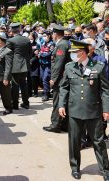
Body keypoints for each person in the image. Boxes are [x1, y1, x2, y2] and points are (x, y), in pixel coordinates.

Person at [58, 39, 109, 181]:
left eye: (76, 52)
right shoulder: (69, 67)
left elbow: (105, 90)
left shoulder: (98, 66)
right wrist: (61, 105)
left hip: (93, 110)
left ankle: (105, 170)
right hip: (74, 110)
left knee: (98, 142)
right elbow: (64, 87)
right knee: (74, 141)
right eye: (72, 53)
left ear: (84, 52)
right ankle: (75, 168)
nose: (73, 55)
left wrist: (106, 109)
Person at [43, 24, 70, 133]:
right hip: (62, 78)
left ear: (55, 34)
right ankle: (64, 124)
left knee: (58, 102)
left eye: (53, 33)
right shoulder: (61, 43)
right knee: (63, 102)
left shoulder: (62, 45)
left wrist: (53, 78)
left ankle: (55, 125)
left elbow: (58, 63)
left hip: (60, 79)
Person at [7, 22, 32, 109]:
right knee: (23, 85)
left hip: (15, 66)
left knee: (15, 86)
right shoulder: (26, 40)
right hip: (25, 65)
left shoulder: (11, 41)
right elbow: (30, 53)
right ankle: (26, 103)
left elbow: (8, 55)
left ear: (12, 30)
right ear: (19, 29)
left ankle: (15, 104)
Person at [38, 31, 55, 102]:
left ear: (49, 36)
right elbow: (40, 51)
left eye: (45, 36)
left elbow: (49, 53)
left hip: (48, 64)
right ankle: (47, 90)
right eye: (43, 36)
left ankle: (46, 94)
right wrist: (40, 53)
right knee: (42, 78)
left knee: (45, 78)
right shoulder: (43, 43)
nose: (44, 37)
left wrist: (41, 54)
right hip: (42, 64)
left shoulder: (52, 44)